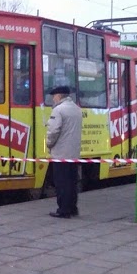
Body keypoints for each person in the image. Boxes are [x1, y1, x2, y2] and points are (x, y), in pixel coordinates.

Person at [46, 85, 83, 219]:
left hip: (61, 154)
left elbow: (53, 131)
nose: (53, 99)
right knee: (72, 182)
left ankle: (63, 210)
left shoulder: (58, 110)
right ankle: (73, 208)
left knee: (62, 183)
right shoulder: (77, 109)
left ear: (58, 96)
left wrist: (49, 144)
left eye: (54, 96)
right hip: (74, 153)